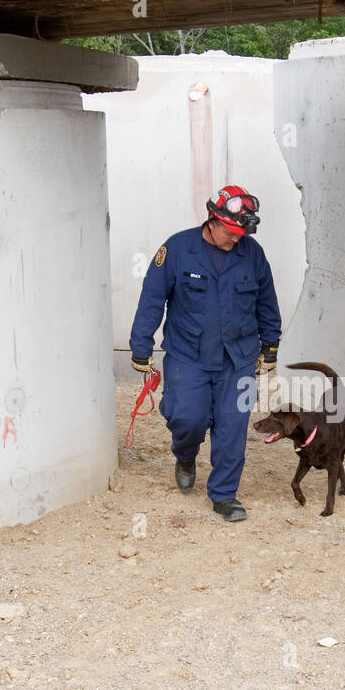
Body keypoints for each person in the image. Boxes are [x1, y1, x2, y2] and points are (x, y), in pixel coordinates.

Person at [129, 185, 281, 522]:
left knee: (233, 425)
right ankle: (185, 454)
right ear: (213, 219)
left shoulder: (252, 254)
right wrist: (141, 345)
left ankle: (224, 495)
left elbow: (266, 300)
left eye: (242, 233)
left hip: (237, 357)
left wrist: (270, 344)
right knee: (187, 417)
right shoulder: (177, 249)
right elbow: (153, 297)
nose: (236, 239)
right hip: (188, 355)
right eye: (231, 231)